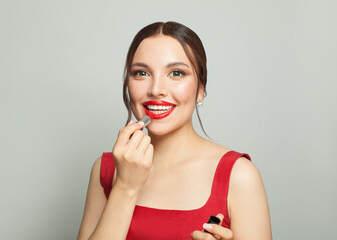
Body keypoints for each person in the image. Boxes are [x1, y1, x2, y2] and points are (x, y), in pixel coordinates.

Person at [77, 21, 272, 240]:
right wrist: (125, 187)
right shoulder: (106, 170)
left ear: (200, 90)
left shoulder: (240, 176)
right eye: (141, 73)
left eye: (176, 73)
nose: (156, 90)